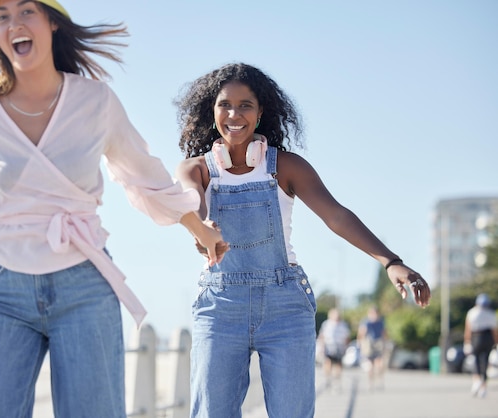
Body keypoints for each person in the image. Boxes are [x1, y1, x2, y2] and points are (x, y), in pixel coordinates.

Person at [0, 1, 226, 416]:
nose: (14, 24)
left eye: (26, 11)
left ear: (52, 23)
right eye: (1, 16)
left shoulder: (95, 101)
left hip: (85, 287)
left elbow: (145, 176)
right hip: (4, 289)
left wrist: (198, 228)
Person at [174, 62, 431, 418]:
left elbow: (336, 216)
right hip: (220, 307)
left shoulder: (287, 167)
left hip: (285, 307)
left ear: (261, 112)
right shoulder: (196, 169)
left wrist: (391, 261)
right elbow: (191, 202)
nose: (234, 114)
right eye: (225, 105)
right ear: (212, 111)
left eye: (245, 105)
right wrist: (203, 228)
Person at [464, 293, 498, 398]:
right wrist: (496, 342)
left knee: (476, 360)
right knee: (485, 361)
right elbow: (494, 331)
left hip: (477, 337)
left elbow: (468, 330)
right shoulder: (491, 313)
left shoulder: (472, 313)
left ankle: (477, 380)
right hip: (488, 339)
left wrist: (467, 341)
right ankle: (483, 386)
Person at [317, 308, 351, 391]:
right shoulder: (327, 324)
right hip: (329, 346)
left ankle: (337, 381)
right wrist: (321, 346)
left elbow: (346, 337)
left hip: (339, 347)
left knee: (338, 365)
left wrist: (346, 347)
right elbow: (322, 336)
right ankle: (328, 378)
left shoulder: (343, 325)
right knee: (328, 363)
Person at [357, 306, 388, 390]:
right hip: (369, 343)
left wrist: (386, 343)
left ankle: (379, 380)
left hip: (378, 343)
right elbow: (362, 333)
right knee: (370, 366)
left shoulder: (381, 322)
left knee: (379, 364)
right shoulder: (366, 322)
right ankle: (370, 383)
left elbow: (384, 333)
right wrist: (359, 343)